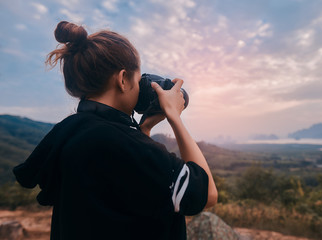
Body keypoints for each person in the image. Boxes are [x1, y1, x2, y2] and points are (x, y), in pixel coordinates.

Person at [13, 21, 218, 240]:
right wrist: (174, 117)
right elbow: (205, 195)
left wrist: (144, 129)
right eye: (139, 80)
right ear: (122, 79)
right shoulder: (124, 144)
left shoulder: (69, 132)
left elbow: (128, 186)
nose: (141, 88)